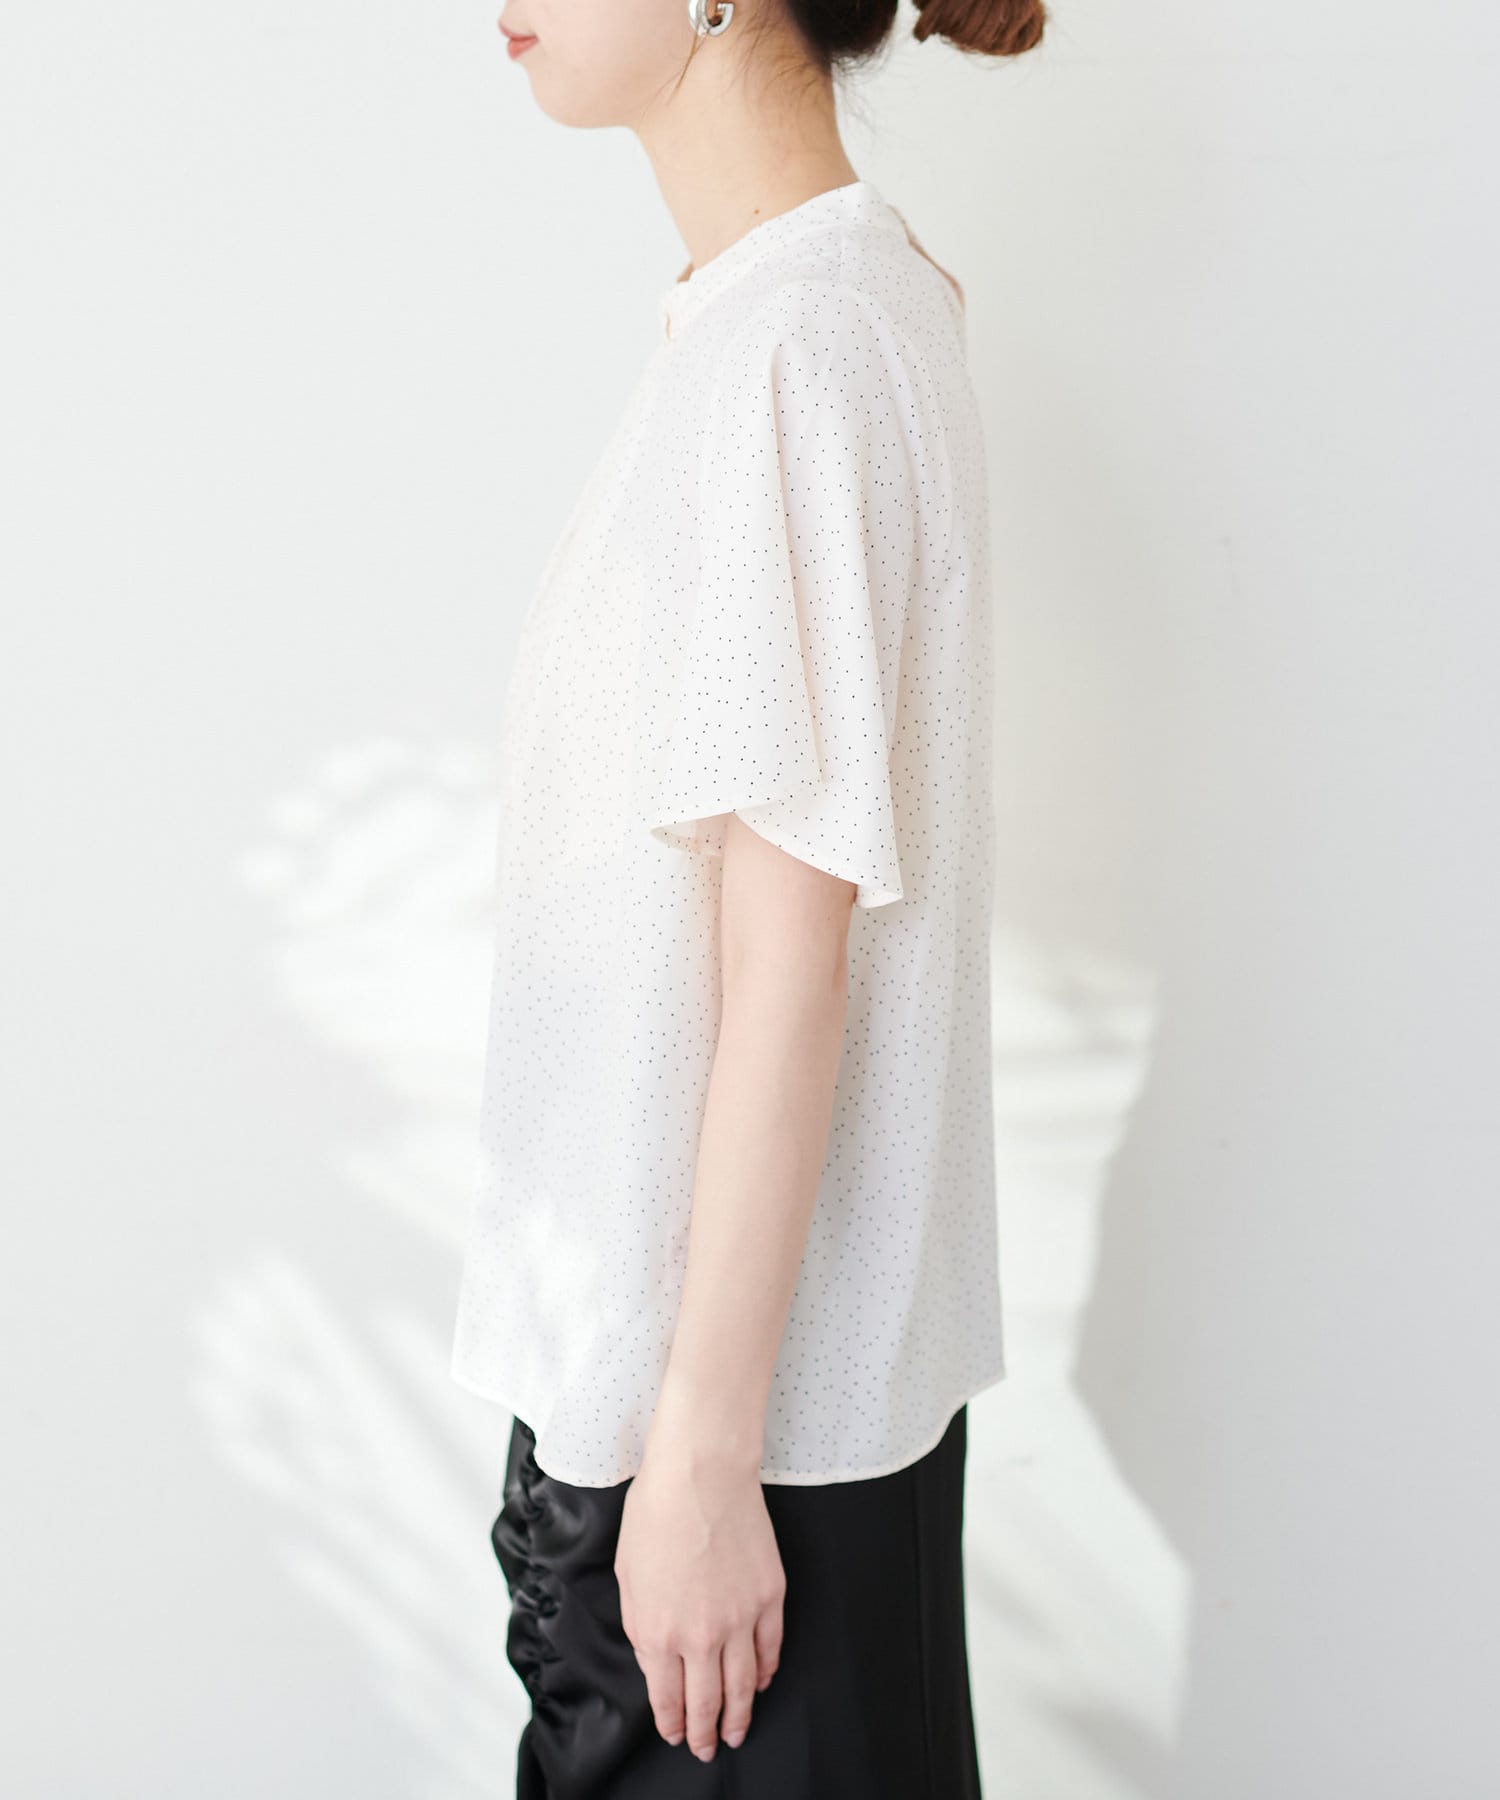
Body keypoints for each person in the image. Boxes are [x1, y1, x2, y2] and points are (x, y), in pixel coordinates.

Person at [451, 0, 1045, 1792]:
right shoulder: (794, 317)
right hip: (722, 1439)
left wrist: (700, 1462)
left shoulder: (797, 347)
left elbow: (791, 971)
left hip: (724, 1473)